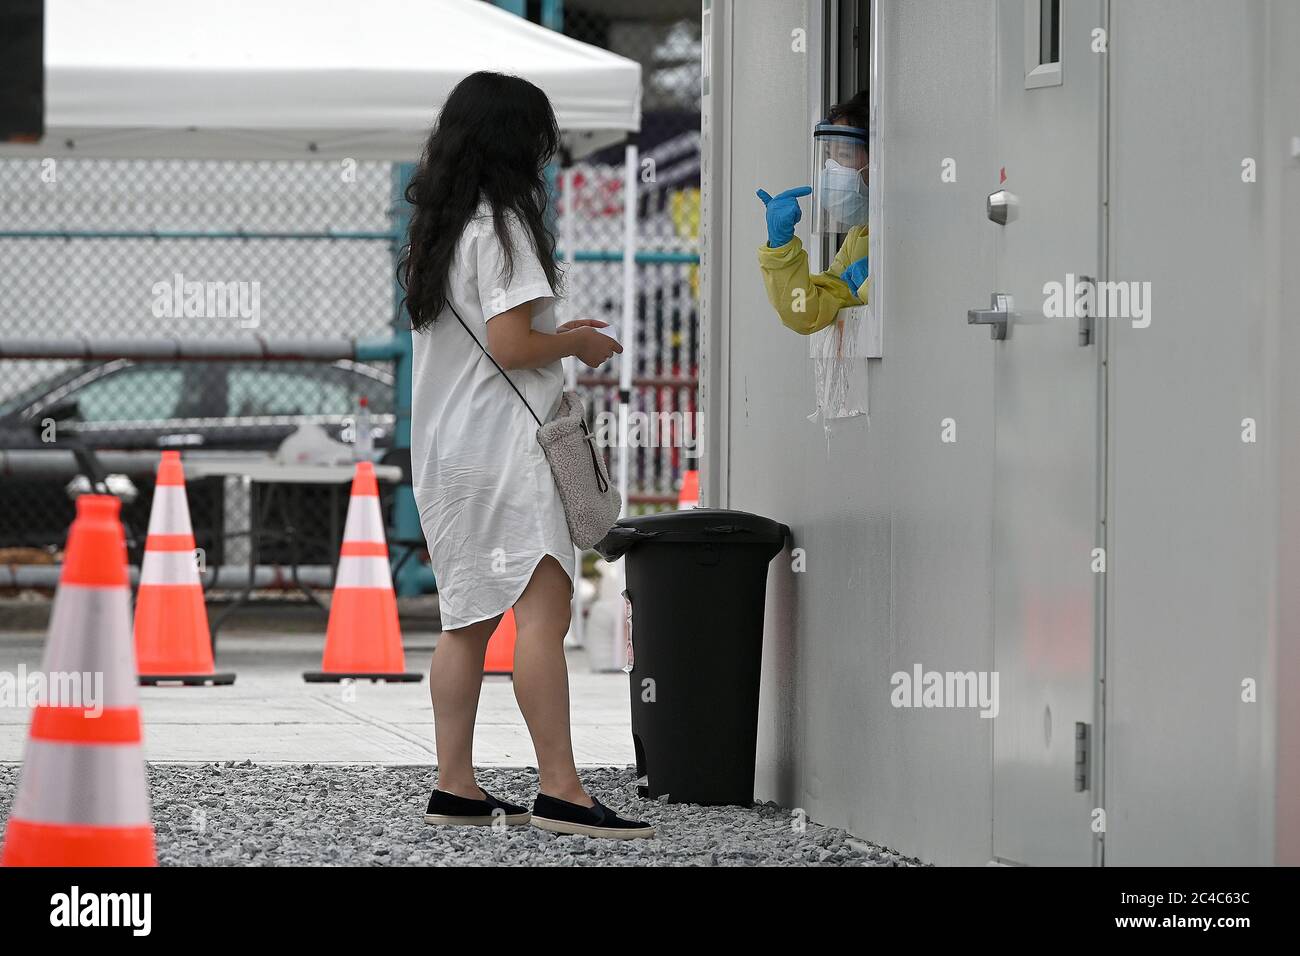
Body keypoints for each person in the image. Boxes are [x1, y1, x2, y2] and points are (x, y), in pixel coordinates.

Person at [399, 71, 653, 840]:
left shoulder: (440, 231)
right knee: (541, 615)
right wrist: (575, 341)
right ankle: (563, 790)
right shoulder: (504, 224)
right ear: (518, 141)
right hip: (508, 448)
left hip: (448, 451)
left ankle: (455, 785)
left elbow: (486, 341)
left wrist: (553, 335)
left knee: (465, 620)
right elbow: (513, 347)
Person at [756, 91, 871, 335]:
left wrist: (876, 282)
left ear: (880, 158)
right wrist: (781, 248)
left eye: (844, 156)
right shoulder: (858, 237)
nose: (831, 170)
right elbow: (806, 314)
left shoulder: (927, 225)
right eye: (830, 157)